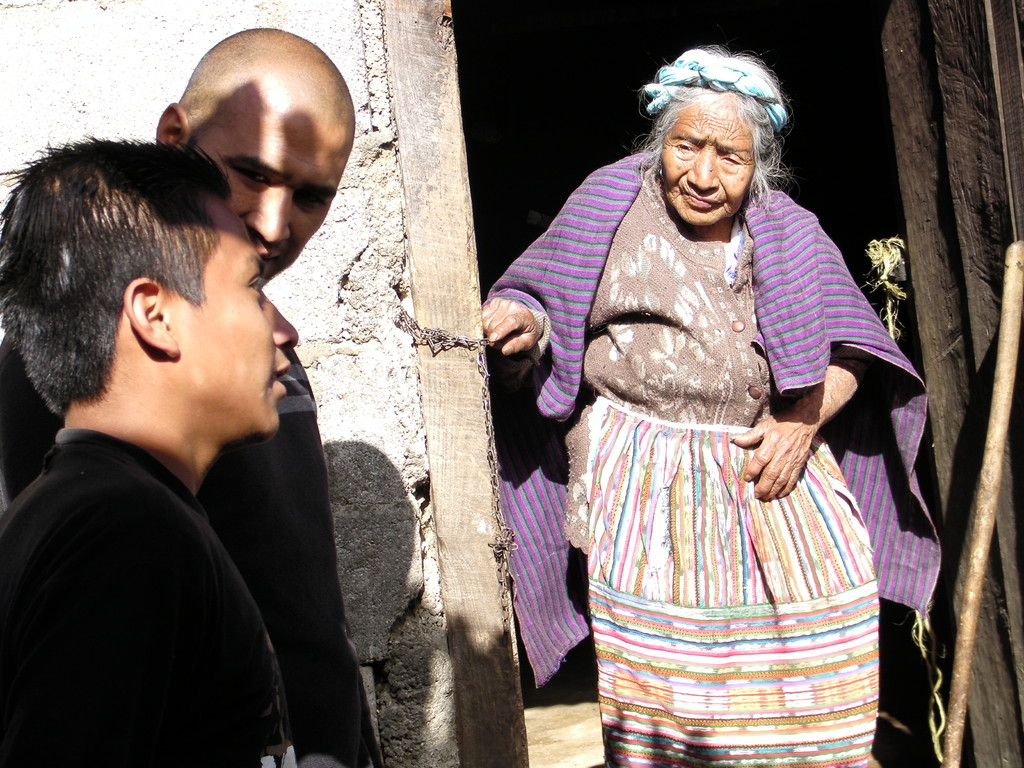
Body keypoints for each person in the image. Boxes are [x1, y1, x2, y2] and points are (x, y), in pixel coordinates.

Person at [483, 47, 940, 767]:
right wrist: (522, 324)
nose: (702, 174)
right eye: (686, 145)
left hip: (772, 467)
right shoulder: (608, 202)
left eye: (729, 155)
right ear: (657, 144)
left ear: (759, 163)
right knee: (670, 696)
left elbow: (858, 349)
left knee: (820, 674)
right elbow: (544, 296)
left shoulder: (788, 229)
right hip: (648, 481)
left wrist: (802, 419)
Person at [0, 30, 382, 768]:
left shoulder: (252, 351)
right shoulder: (93, 397)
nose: (275, 226)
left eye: (309, 196)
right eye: (250, 173)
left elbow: (302, 624)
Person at [0, 138, 296, 765]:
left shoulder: (97, 510)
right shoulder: (122, 534)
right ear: (155, 315)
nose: (284, 330)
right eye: (253, 289)